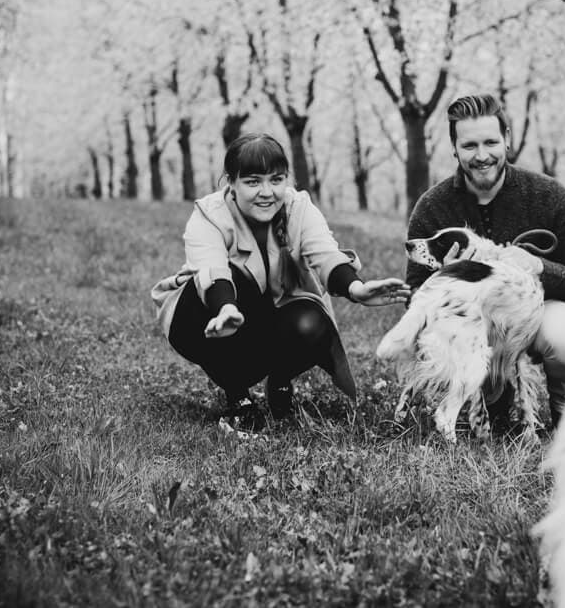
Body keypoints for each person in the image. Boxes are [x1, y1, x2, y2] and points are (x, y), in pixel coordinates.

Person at [151, 133, 411, 431]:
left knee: (311, 322)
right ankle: (237, 396)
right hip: (209, 312)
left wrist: (356, 289)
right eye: (252, 182)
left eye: (276, 180)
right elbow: (211, 269)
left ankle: (280, 381)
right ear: (230, 183)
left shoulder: (298, 207)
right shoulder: (209, 214)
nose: (267, 192)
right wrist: (224, 307)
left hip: (276, 315)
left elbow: (324, 253)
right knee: (234, 282)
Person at [404, 94, 565, 428]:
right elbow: (413, 298)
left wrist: (538, 266)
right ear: (454, 147)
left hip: (533, 317)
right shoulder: (433, 207)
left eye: (490, 142)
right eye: (469, 146)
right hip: (468, 329)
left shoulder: (548, 196)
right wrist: (445, 277)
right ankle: (479, 403)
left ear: (507, 139)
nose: (481, 156)